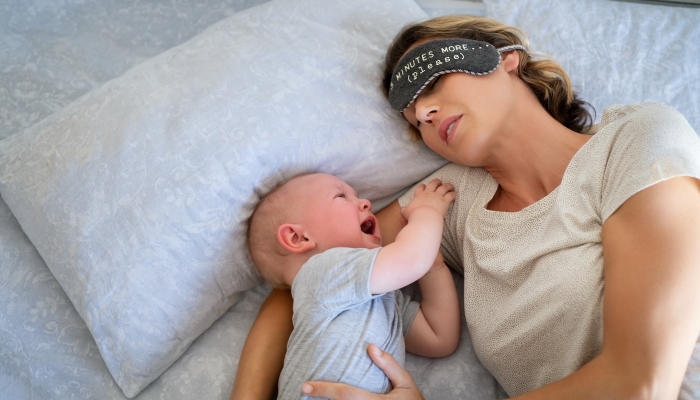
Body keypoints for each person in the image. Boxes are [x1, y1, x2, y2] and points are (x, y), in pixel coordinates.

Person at [231, 15, 700, 400]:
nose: (426, 114)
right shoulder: (450, 200)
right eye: (414, 118)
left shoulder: (635, 140)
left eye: (433, 82)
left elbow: (641, 383)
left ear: (507, 61)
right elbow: (307, 273)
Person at [245, 172, 460, 398]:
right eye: (341, 196)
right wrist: (427, 213)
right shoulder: (322, 271)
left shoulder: (380, 296)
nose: (366, 203)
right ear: (298, 238)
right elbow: (411, 260)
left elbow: (438, 339)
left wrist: (433, 268)